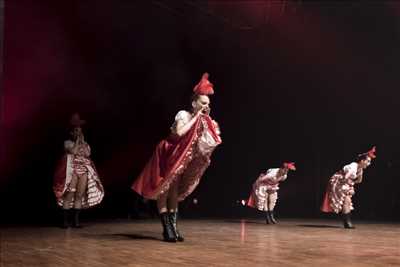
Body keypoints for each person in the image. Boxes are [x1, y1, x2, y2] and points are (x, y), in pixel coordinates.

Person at [132, 73, 222, 242]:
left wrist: (206, 121)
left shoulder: (203, 120)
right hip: (168, 152)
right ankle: (166, 229)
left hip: (181, 157)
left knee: (174, 191)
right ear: (194, 103)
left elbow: (208, 142)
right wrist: (196, 117)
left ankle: (173, 227)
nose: (206, 106)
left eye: (208, 104)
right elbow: (179, 133)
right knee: (164, 190)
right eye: (203, 103)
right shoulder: (184, 115)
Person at [53, 113, 104, 228]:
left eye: (80, 131)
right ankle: (65, 222)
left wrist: (83, 142)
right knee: (70, 194)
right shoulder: (68, 143)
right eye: (76, 131)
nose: (78, 133)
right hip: (72, 171)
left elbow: (87, 154)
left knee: (79, 195)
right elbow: (74, 152)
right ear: (72, 132)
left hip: (84, 170)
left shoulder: (85, 144)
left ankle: (76, 222)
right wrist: (77, 142)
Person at [321, 147, 376, 229]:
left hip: (345, 183)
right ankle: (347, 222)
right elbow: (346, 177)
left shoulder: (360, 169)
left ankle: (347, 222)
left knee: (347, 200)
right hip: (338, 182)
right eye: (368, 161)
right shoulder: (353, 166)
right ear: (362, 161)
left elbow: (359, 181)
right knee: (346, 199)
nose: (369, 163)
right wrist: (349, 187)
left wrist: (354, 181)